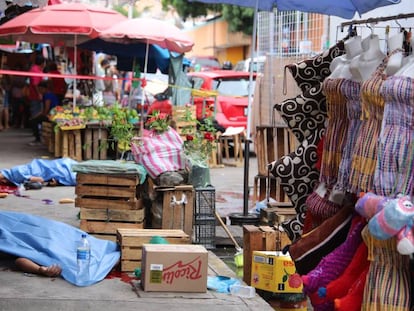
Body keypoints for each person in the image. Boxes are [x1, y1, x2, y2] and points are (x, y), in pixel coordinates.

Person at [28, 80, 58, 146]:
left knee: (34, 121)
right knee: (34, 119)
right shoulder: (47, 94)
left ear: (44, 89)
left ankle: (38, 139)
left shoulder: (48, 95)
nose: (39, 91)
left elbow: (46, 108)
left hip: (52, 115)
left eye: (40, 89)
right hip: (50, 114)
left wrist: (41, 115)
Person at [28, 54, 45, 145]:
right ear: (42, 63)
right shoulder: (35, 70)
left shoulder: (37, 70)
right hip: (35, 97)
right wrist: (39, 94)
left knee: (38, 116)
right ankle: (37, 138)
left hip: (37, 96)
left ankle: (38, 136)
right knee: (35, 117)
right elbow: (35, 84)